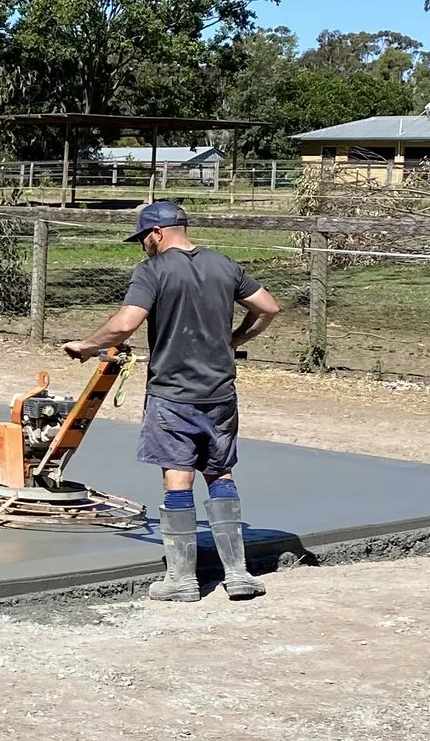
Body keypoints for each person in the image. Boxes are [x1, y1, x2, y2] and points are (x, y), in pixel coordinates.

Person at [63, 199, 280, 602]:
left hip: (172, 394)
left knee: (177, 477)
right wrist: (236, 339)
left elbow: (126, 323)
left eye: (143, 238)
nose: (142, 245)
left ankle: (182, 580)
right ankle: (237, 574)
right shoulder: (224, 265)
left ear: (157, 233)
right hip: (219, 394)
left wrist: (87, 346)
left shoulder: (153, 270)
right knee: (220, 474)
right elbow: (268, 307)